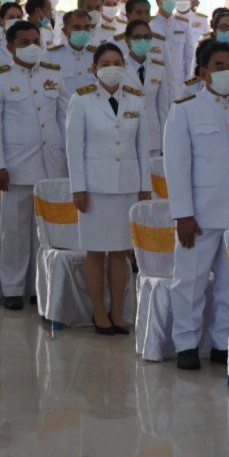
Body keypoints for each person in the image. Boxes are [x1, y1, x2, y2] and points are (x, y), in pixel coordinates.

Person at [163, 41, 229, 370]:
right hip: (201, 214)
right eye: (218, 66)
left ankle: (223, 342)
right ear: (203, 72)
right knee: (189, 281)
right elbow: (176, 167)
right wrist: (182, 214)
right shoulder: (186, 109)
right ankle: (186, 343)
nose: (227, 72)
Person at [0, 20, 68, 310]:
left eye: (35, 41)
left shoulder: (53, 74)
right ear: (10, 47)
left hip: (51, 165)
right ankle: (13, 288)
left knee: (45, 231)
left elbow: (64, 119)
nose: (32, 47)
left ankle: (38, 286)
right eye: (24, 42)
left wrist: (67, 160)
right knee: (15, 232)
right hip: (15, 167)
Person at [66, 43, 151, 334]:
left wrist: (145, 186)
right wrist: (78, 188)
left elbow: (143, 146)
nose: (112, 68)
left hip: (127, 185)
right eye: (105, 63)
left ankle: (117, 310)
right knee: (95, 251)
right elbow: (74, 148)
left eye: (117, 63)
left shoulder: (136, 99)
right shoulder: (82, 99)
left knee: (120, 252)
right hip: (94, 188)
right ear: (94, 68)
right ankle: (98, 311)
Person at [119, 19, 170, 155]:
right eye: (137, 37)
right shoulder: (118, 67)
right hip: (126, 137)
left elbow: (163, 108)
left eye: (146, 37)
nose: (142, 41)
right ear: (127, 40)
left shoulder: (158, 68)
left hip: (153, 138)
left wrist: (165, 143)